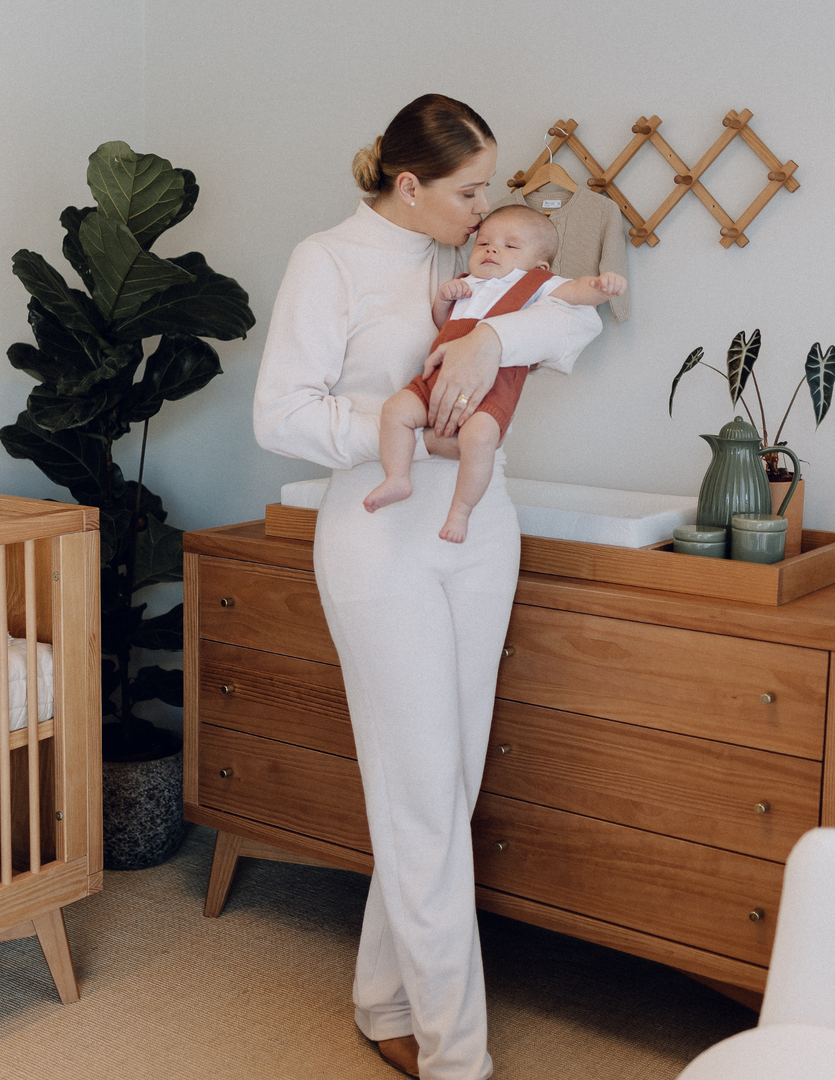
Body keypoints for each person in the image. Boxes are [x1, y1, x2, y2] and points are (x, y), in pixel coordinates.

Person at [253, 94, 602, 1080]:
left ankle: (381, 999)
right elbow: (281, 414)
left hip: (481, 528)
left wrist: (498, 340)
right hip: (380, 531)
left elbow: (575, 326)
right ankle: (458, 1058)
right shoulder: (328, 261)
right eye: (468, 189)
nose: (485, 206)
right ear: (410, 186)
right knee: (415, 796)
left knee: (448, 788)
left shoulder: (476, 258)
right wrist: (399, 427)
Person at [364, 204, 626, 542]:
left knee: (479, 439)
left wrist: (600, 286)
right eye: (484, 243)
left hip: (495, 390)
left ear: (540, 265)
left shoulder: (535, 282)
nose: (492, 249)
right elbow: (443, 329)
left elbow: (575, 295)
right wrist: (444, 300)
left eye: (510, 245)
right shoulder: (465, 283)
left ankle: (460, 511)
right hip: (434, 380)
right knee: (395, 410)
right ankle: (397, 477)